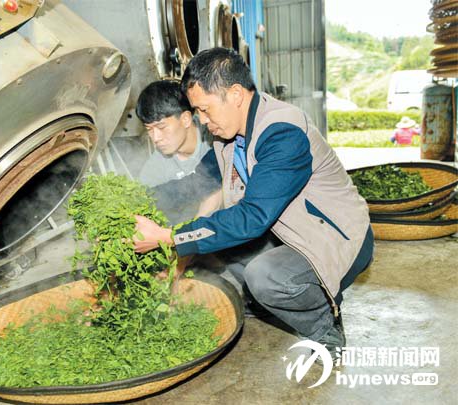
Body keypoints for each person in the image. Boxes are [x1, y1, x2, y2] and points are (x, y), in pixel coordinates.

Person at [132, 48, 374, 358]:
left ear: (235, 94)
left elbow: (252, 217)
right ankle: (270, 301)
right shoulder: (228, 135)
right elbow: (193, 184)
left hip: (336, 237)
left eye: (204, 109)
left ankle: (324, 326)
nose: (202, 121)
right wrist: (134, 200)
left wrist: (169, 237)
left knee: (264, 276)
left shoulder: (282, 133)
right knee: (220, 242)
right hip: (288, 233)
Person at [136, 80, 222, 222]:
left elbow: (218, 188)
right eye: (149, 129)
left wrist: (195, 230)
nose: (156, 138)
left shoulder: (216, 137)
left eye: (161, 127)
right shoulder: (154, 169)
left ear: (185, 119)